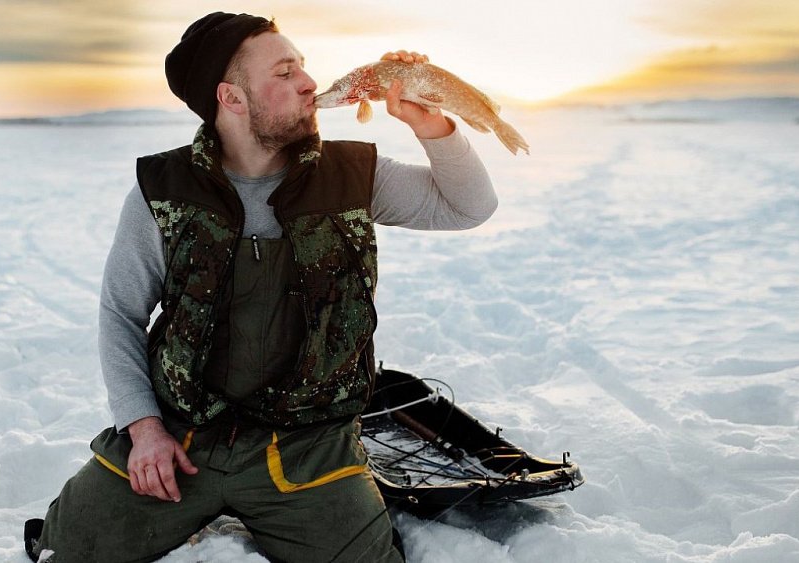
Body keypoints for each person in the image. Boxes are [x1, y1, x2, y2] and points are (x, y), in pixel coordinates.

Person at [26, 11, 498, 563]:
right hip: (183, 437)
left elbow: (469, 206)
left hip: (308, 444)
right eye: (284, 71)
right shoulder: (164, 189)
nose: (308, 83)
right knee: (68, 548)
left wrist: (430, 125)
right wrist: (144, 428)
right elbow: (120, 314)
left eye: (303, 66)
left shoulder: (352, 175)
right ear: (231, 97)